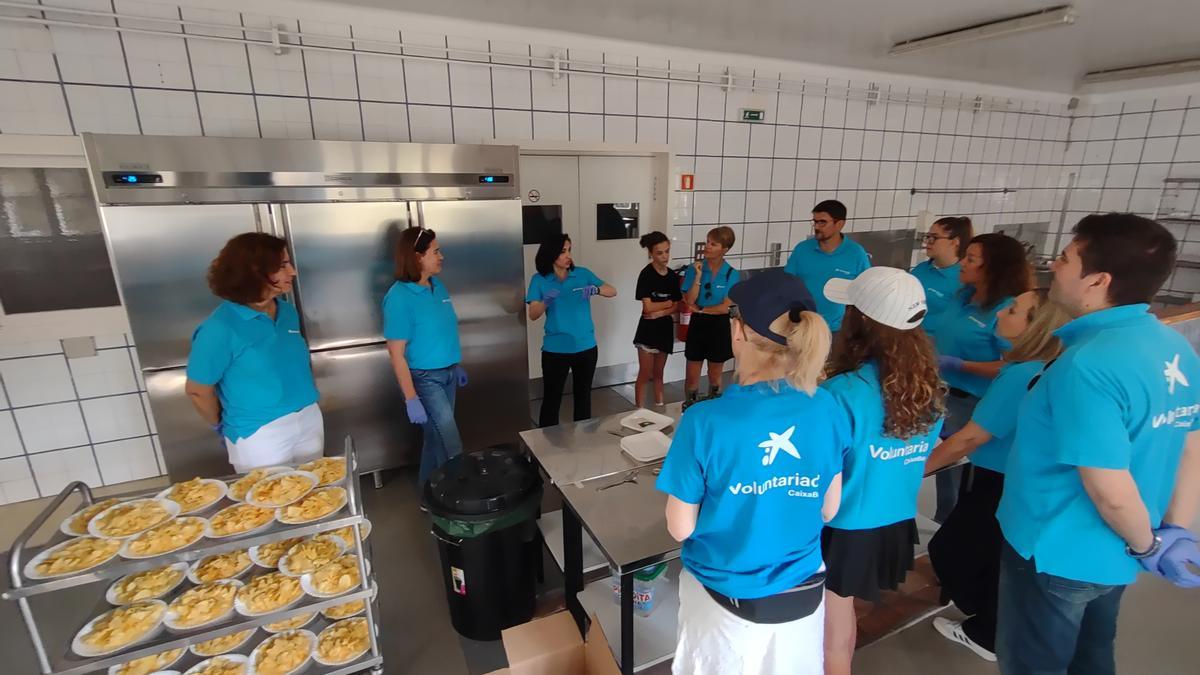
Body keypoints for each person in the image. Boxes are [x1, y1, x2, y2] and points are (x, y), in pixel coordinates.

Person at [995, 213, 1200, 675]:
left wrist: (1149, 544)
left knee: (1035, 663)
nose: (1054, 264)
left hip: (1057, 549)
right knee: (1092, 655)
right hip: (1118, 550)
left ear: (1098, 280)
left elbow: (1107, 486)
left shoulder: (1088, 364)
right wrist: (1172, 533)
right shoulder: (1173, 346)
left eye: (1066, 258)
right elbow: (1191, 443)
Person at [657, 268, 846, 675]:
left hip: (727, 599)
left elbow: (680, 528)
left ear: (738, 332)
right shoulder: (827, 407)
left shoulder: (706, 421)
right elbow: (830, 510)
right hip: (804, 593)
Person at [924, 289, 1070, 662]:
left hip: (998, 479)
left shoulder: (1020, 374)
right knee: (995, 555)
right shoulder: (1053, 365)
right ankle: (996, 623)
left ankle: (987, 631)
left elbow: (970, 438)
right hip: (1022, 480)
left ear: (1035, 326)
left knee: (952, 551)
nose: (1003, 312)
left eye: (1015, 310)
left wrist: (915, 471)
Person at [817, 267, 946, 675]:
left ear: (863, 321)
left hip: (846, 524)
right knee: (844, 612)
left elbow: (821, 468)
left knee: (830, 624)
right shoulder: (926, 386)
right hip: (893, 518)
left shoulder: (843, 392)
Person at [185, 232, 322, 473]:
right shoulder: (220, 328)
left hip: (308, 417)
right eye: (282, 266)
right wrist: (223, 425)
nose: (293, 272)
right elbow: (198, 390)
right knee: (268, 503)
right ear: (254, 272)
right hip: (260, 431)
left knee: (315, 499)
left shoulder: (287, 311)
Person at [931, 232, 1032, 523]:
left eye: (971, 259)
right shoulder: (962, 295)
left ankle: (953, 531)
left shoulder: (1010, 311)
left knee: (964, 474)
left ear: (993, 268)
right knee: (945, 478)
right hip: (944, 396)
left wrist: (961, 365)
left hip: (976, 403)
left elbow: (1013, 365)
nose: (962, 263)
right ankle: (944, 530)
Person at [383, 227, 466, 489]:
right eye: (436, 252)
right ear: (417, 257)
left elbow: (440, 331)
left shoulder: (437, 286)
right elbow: (396, 354)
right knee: (451, 444)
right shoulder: (398, 297)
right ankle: (458, 502)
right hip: (425, 379)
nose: (441, 256)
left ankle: (427, 495)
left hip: (448, 374)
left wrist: (455, 363)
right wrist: (411, 399)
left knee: (434, 438)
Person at [527, 233, 617, 427]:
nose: (568, 255)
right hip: (555, 350)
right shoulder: (539, 280)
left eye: (569, 250)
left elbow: (612, 290)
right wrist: (545, 301)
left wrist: (596, 289)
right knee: (552, 400)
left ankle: (581, 446)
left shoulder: (582, 274)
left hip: (586, 347)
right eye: (562, 251)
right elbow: (533, 314)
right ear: (551, 254)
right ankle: (545, 448)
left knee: (583, 397)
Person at [783, 199, 871, 333]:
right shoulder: (802, 249)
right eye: (815, 222)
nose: (817, 227)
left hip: (838, 331)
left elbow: (865, 292)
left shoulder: (856, 254)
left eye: (822, 222)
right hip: (803, 327)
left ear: (840, 224)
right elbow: (787, 282)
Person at [682, 226, 738, 404]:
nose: (707, 246)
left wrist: (701, 309)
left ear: (725, 249)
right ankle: (690, 408)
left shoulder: (731, 274)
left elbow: (725, 307)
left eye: (713, 244)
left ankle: (713, 408)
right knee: (692, 376)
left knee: (714, 376)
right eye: (707, 242)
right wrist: (698, 277)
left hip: (719, 326)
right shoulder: (694, 269)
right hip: (698, 324)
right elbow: (689, 299)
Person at [633, 231, 681, 408]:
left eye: (667, 251)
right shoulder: (646, 274)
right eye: (660, 253)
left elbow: (677, 306)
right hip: (647, 331)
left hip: (664, 330)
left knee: (659, 373)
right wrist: (667, 303)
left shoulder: (672, 277)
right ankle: (639, 410)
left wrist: (661, 312)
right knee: (645, 374)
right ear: (651, 254)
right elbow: (647, 308)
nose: (665, 256)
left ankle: (660, 406)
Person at [910, 216, 973, 338]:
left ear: (955, 242)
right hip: (908, 339)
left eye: (934, 238)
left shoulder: (963, 280)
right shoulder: (921, 269)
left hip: (935, 347)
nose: (927, 242)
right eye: (927, 237)